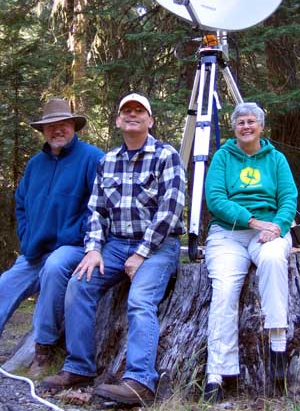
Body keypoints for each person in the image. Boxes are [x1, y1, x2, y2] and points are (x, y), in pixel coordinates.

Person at [41, 92, 186, 404]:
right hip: (117, 244)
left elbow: (170, 211)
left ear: (150, 120)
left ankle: (140, 381)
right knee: (79, 284)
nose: (132, 115)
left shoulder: (166, 156)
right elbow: (96, 212)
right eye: (126, 111)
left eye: (139, 111)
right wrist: (93, 249)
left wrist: (141, 254)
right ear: (119, 120)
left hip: (158, 246)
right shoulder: (107, 162)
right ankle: (79, 366)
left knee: (140, 300)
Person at [0, 98, 104, 378]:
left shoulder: (92, 158)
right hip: (35, 250)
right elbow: (20, 202)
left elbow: (101, 205)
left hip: (73, 247)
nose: (57, 130)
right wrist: (26, 233)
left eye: (63, 124)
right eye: (51, 126)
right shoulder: (35, 165)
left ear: (73, 126)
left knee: (55, 268)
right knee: (5, 284)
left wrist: (77, 234)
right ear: (43, 130)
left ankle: (43, 350)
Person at [203, 102, 297, 402]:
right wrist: (252, 221)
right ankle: (218, 373)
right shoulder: (222, 157)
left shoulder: (276, 159)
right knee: (225, 289)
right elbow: (215, 198)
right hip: (228, 233)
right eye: (240, 122)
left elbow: (289, 197)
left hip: (269, 230)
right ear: (234, 127)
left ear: (260, 126)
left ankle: (278, 347)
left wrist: (278, 226)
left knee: (272, 261)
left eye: (251, 121)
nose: (246, 126)